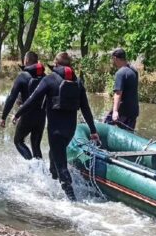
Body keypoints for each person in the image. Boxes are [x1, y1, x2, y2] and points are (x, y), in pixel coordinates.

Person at [13, 52, 100, 201]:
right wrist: (93, 130)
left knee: (61, 165)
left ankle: (72, 201)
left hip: (55, 131)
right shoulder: (78, 82)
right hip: (70, 130)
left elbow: (33, 100)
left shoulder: (49, 80)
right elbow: (86, 109)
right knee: (54, 156)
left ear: (56, 64)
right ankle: (52, 186)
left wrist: (18, 113)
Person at [0, 51, 46, 160]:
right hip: (42, 116)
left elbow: (11, 98)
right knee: (36, 146)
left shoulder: (23, 76)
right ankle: (41, 171)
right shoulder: (45, 77)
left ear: (26, 61)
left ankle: (32, 166)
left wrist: (3, 117)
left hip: (27, 115)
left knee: (18, 141)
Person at [104, 48, 140, 131]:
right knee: (128, 135)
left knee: (106, 127)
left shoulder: (120, 73)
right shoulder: (133, 70)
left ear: (115, 58)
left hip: (123, 111)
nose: (112, 61)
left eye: (112, 58)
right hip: (133, 110)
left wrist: (115, 111)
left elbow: (118, 93)